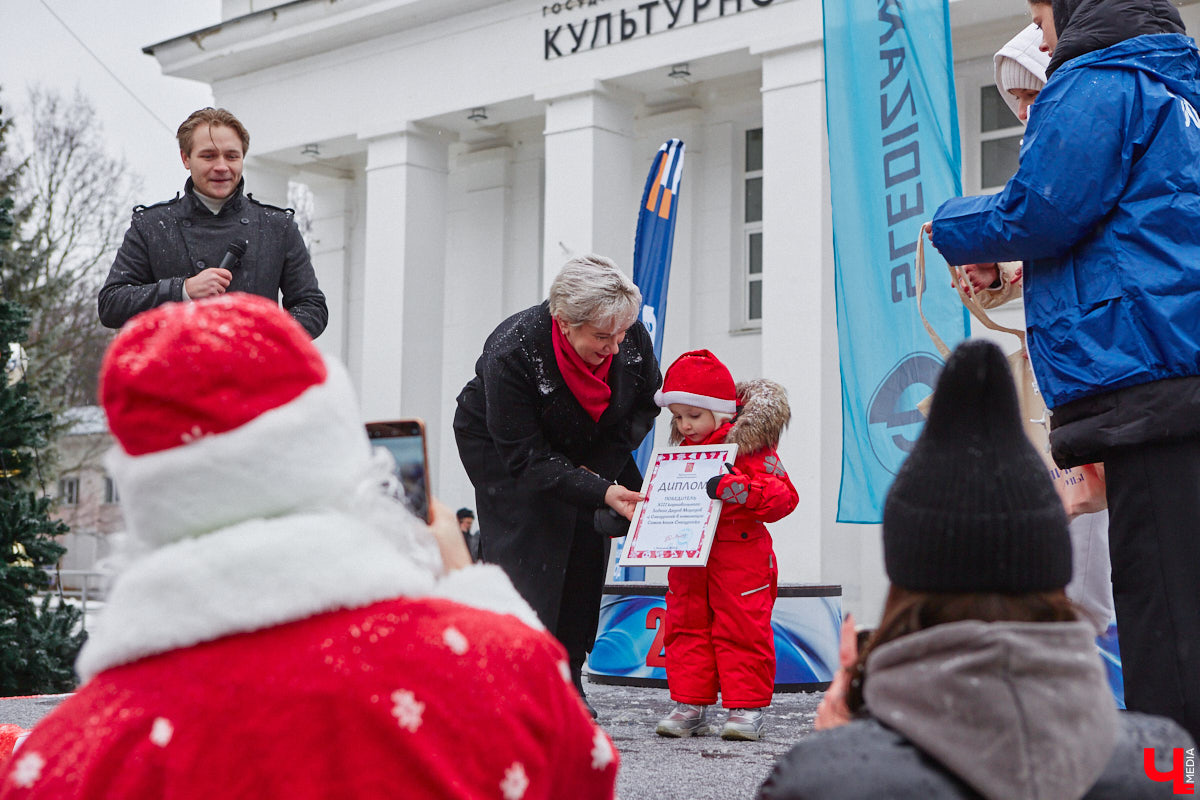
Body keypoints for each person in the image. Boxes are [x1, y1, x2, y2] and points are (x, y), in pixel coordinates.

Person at [0, 295, 617, 799]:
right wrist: (472, 591)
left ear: (151, 494)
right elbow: (581, 770)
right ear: (335, 451)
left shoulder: (84, 752)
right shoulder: (494, 666)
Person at [927, 0, 1200, 741]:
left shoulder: (1098, 80)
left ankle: (1169, 783)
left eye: (1040, 12)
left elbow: (1045, 208)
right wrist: (1015, 269)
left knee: (1164, 618)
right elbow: (1136, 235)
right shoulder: (1177, 87)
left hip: (1143, 380)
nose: (1042, 34)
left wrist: (950, 227)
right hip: (1168, 370)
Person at [756, 340, 1193, 800]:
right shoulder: (1166, 758)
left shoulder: (821, 778)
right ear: (1051, 572)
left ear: (904, 583)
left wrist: (833, 755)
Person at [956, 21, 1116, 637]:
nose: (1024, 109)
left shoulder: (1094, 144)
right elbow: (1031, 269)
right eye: (1016, 98)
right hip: (1051, 370)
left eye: (1033, 91)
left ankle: (1101, 646)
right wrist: (991, 271)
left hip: (1104, 363)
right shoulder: (1039, 164)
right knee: (1066, 506)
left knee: (1100, 519)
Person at [453, 254, 661, 717]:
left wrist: (599, 477)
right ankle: (517, 673)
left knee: (587, 544)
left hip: (590, 443)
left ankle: (568, 672)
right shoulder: (512, 350)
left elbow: (645, 404)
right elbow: (526, 457)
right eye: (602, 337)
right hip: (503, 449)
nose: (615, 346)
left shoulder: (625, 333)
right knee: (532, 545)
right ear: (564, 323)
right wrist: (596, 487)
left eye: (621, 333)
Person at [651, 350, 797, 742]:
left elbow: (784, 498)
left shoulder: (751, 449)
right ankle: (690, 704)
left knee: (742, 628)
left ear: (722, 412)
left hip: (740, 560)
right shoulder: (680, 454)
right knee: (685, 626)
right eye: (678, 417)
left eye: (693, 416)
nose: (685, 425)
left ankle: (745, 709)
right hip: (689, 558)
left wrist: (742, 490)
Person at [98, 107, 328, 338]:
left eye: (231, 156)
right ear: (185, 158)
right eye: (208, 156)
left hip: (252, 369)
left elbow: (312, 307)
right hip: (176, 370)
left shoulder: (277, 226)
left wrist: (265, 335)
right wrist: (183, 290)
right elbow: (112, 304)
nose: (221, 167)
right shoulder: (152, 225)